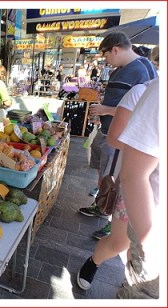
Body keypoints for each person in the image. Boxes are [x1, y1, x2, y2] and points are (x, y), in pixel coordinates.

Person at [77, 76, 159, 295]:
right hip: (144, 202)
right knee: (118, 243)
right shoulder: (150, 91)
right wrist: (150, 244)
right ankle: (94, 262)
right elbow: (133, 171)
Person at [78, 32, 156, 227]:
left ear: (115, 49)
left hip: (120, 137)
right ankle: (102, 206)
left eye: (105, 55)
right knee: (103, 173)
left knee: (115, 180)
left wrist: (107, 110)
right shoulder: (119, 69)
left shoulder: (143, 70)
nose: (106, 60)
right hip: (105, 131)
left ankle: (112, 223)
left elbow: (143, 109)